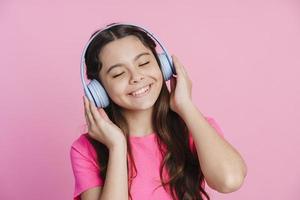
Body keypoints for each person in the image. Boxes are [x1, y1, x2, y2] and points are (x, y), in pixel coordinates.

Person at [70, 23, 247, 200]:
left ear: (163, 66)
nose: (136, 77)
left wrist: (185, 105)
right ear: (98, 91)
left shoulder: (196, 127)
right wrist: (117, 147)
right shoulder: (85, 149)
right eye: (118, 74)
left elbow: (229, 181)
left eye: (144, 63)